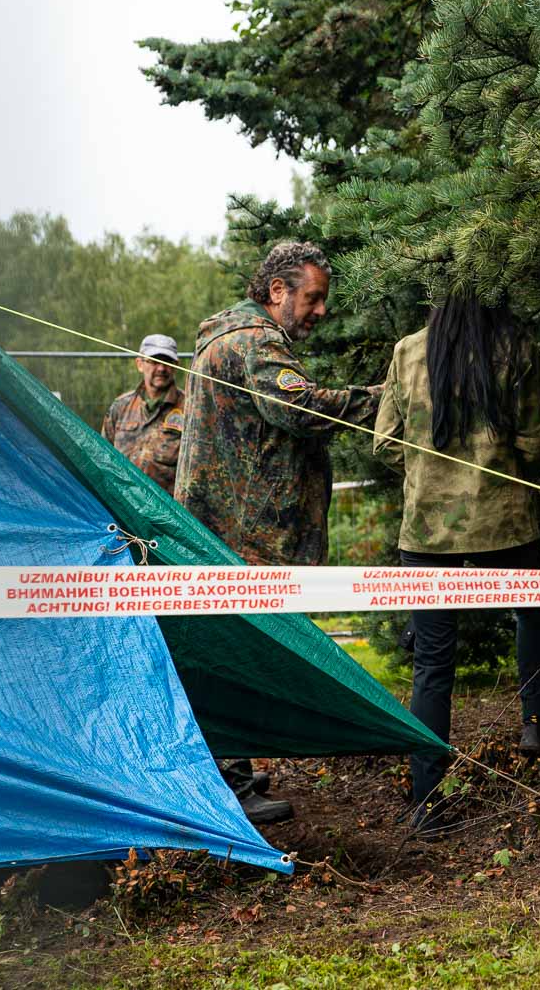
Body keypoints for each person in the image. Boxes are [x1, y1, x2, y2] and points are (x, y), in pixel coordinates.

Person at [175, 240, 378, 824]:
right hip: (243, 536)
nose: (319, 312)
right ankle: (229, 791)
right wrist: (385, 402)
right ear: (277, 291)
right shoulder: (255, 341)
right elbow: (300, 407)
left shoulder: (228, 338)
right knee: (237, 654)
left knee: (229, 649)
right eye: (312, 299)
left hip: (228, 531)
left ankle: (229, 768)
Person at [373, 295, 540, 833]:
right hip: (505, 522)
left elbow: (385, 443)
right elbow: (539, 442)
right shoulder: (515, 346)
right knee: (533, 615)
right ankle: (535, 728)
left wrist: (427, 471)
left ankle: (427, 802)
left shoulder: (408, 351)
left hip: (427, 531)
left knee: (432, 663)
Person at [100, 334, 184, 494]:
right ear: (140, 364)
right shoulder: (120, 407)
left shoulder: (189, 410)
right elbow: (103, 458)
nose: (161, 368)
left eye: (167, 362)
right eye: (154, 361)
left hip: (168, 512)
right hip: (124, 505)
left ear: (176, 366)